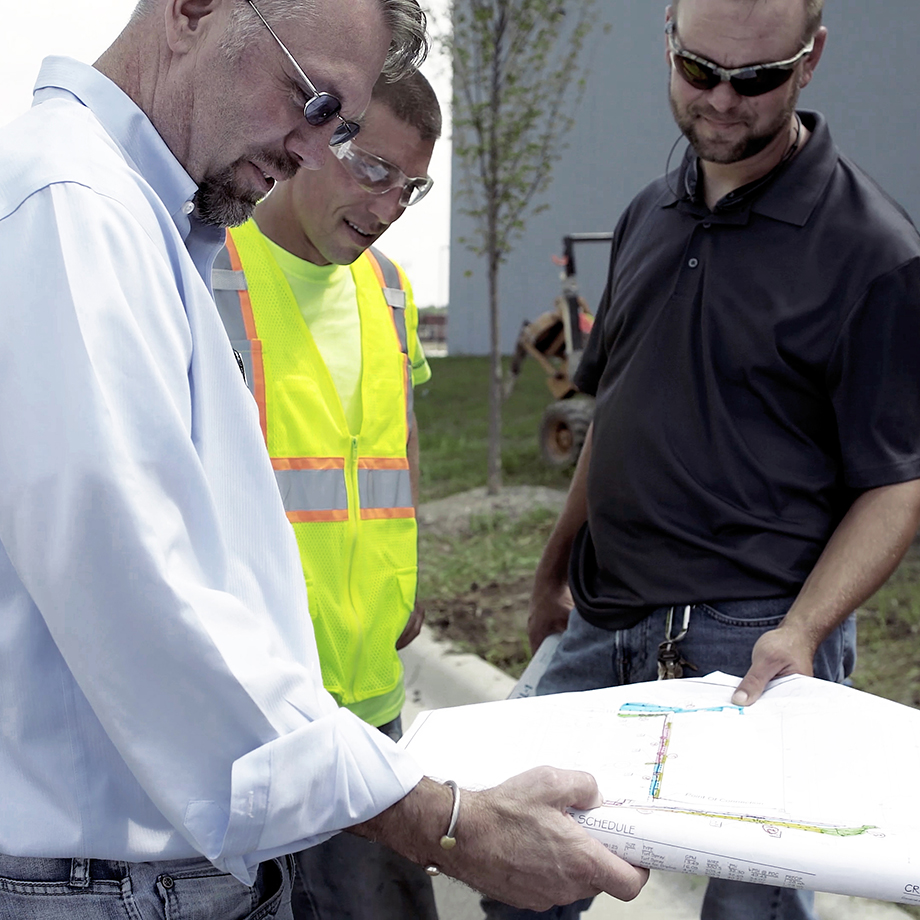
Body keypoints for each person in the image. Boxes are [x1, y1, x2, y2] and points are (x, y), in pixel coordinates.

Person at [0, 0, 650, 917]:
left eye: (340, 127)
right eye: (311, 101)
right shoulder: (71, 211)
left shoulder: (138, 221)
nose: (315, 153)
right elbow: (145, 605)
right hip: (118, 876)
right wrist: (452, 822)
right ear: (194, 10)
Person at [491, 1, 920, 919]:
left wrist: (802, 631)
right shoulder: (648, 211)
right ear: (670, 48)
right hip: (606, 618)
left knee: (753, 909)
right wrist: (553, 568)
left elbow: (898, 483)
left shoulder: (875, 251)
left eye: (757, 78)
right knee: (518, 877)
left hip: (752, 643)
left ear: (812, 60)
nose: (724, 100)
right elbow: (613, 410)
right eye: (700, 71)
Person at [214, 70, 441, 920]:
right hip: (254, 720)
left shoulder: (389, 291)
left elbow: (399, 441)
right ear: (311, 137)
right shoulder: (209, 276)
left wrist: (407, 576)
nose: (390, 208)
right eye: (375, 171)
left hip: (369, 709)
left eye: (412, 188)